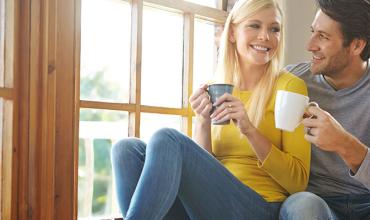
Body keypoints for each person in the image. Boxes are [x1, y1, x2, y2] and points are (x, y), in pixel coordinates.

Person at [111, 0, 310, 219]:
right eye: (254, 26)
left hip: (259, 206)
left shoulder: (290, 87)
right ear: (232, 33)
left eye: (274, 29)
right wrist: (203, 122)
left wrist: (249, 129)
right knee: (126, 149)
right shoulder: (217, 87)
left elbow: (297, 182)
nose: (265, 36)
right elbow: (203, 172)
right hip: (210, 206)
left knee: (166, 138)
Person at [279, 0, 370, 219]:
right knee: (303, 206)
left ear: (357, 46)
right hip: (315, 202)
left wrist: (343, 143)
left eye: (323, 36)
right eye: (313, 32)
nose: (309, 45)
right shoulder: (292, 82)